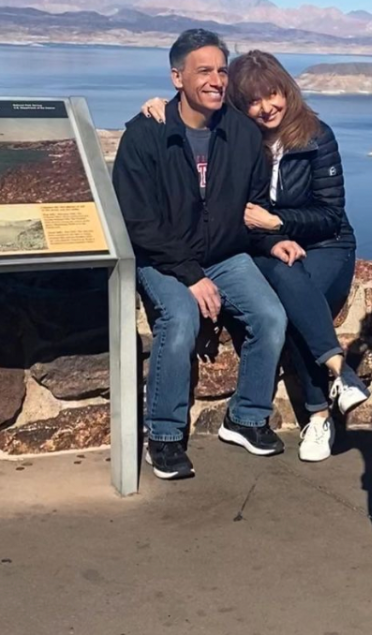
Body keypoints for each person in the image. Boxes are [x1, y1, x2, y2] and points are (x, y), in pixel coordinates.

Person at [139, 50, 369, 464]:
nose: (266, 108)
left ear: (287, 91)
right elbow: (192, 125)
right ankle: (331, 390)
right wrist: (159, 106)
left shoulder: (317, 135)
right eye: (253, 101)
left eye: (273, 95)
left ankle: (318, 411)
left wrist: (276, 223)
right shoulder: (236, 138)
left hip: (325, 243)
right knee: (287, 295)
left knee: (302, 297)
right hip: (263, 246)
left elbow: (330, 215)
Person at [113, 29, 289, 481]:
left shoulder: (242, 135)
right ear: (177, 77)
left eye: (221, 70)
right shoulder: (147, 134)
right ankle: (165, 436)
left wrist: (272, 241)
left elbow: (251, 209)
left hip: (224, 255)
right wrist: (190, 275)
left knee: (270, 316)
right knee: (181, 318)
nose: (216, 80)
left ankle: (246, 418)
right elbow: (139, 223)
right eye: (203, 70)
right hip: (163, 259)